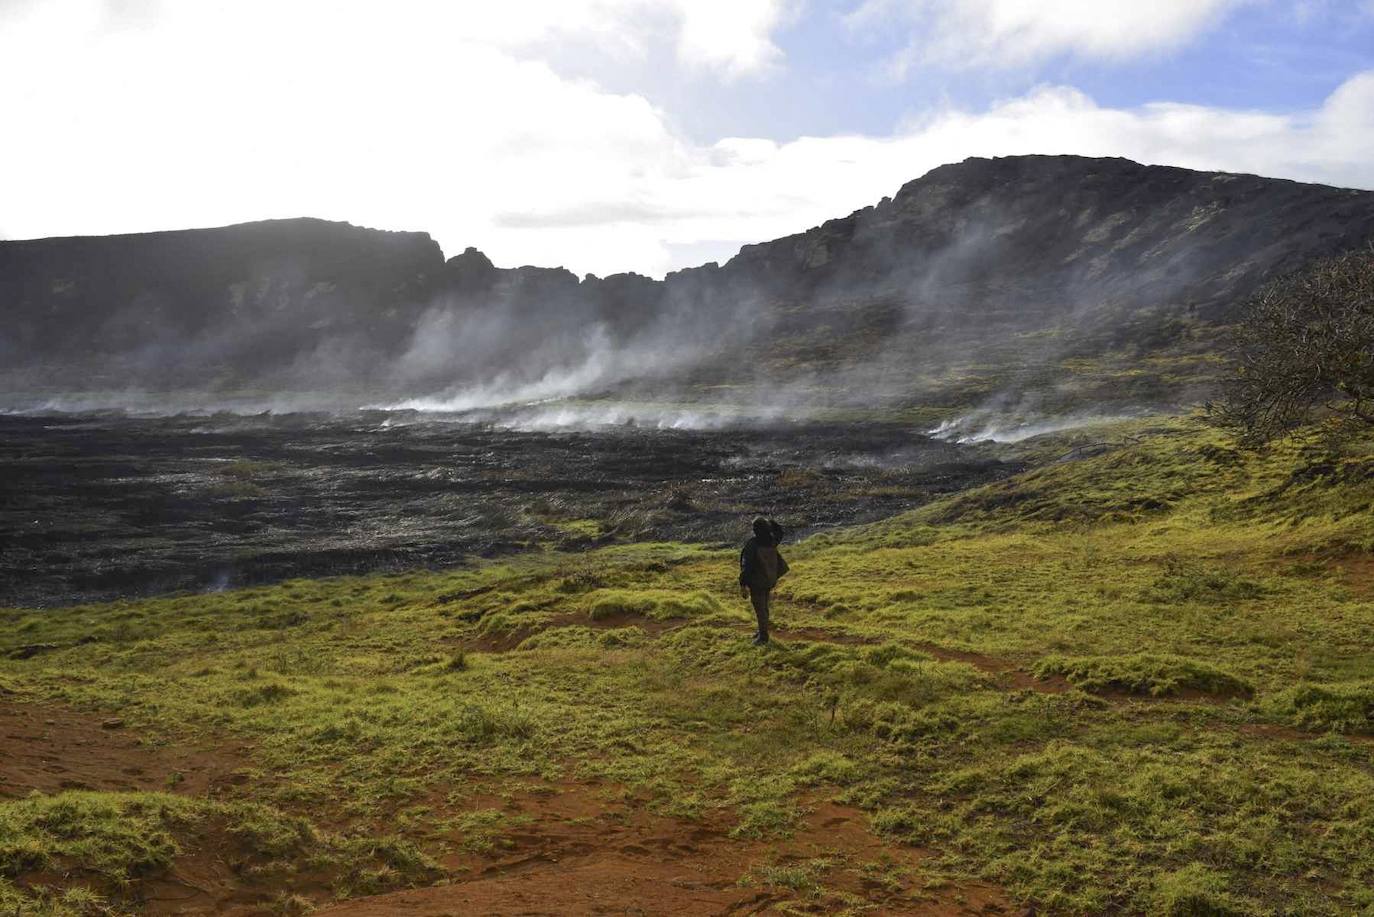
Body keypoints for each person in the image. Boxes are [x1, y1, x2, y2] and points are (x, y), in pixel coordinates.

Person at [739, 516, 788, 645]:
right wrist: (770, 522)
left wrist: (742, 584)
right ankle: (762, 630)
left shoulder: (752, 544)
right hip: (769, 579)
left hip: (757, 582)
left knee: (760, 608)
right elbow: (780, 531)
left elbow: (747, 566)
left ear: (755, 530)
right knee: (764, 606)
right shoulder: (771, 541)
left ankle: (763, 637)